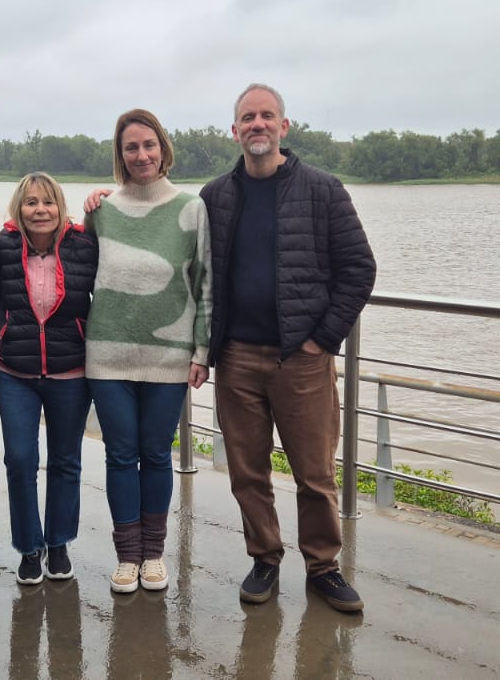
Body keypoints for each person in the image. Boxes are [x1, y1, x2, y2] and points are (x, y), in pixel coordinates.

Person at [201, 83, 376, 612]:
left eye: (266, 116)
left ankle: (323, 568)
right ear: (234, 131)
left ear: (284, 126)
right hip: (236, 358)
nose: (257, 125)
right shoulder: (215, 196)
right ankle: (265, 558)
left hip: (301, 360)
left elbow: (359, 270)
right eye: (247, 118)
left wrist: (322, 340)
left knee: (315, 473)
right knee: (247, 471)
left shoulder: (323, 190)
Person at [84, 109, 211, 594]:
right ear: (120, 154)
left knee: (156, 453)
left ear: (163, 148)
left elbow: (205, 282)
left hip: (170, 356)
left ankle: (153, 555)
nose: (141, 155)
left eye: (149, 145)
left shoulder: (191, 207)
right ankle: (127, 557)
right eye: (131, 147)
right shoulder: (101, 209)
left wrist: (201, 349)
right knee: (120, 455)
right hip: (107, 355)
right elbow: (78, 271)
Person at [0, 172, 99, 585]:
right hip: (14, 372)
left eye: (48, 202)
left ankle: (58, 544)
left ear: (61, 207)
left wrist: (104, 199)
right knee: (20, 461)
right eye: (31, 202)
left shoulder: (83, 246)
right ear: (18, 208)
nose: (40, 210)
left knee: (65, 461)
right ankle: (28, 547)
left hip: (70, 371)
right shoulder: (0, 248)